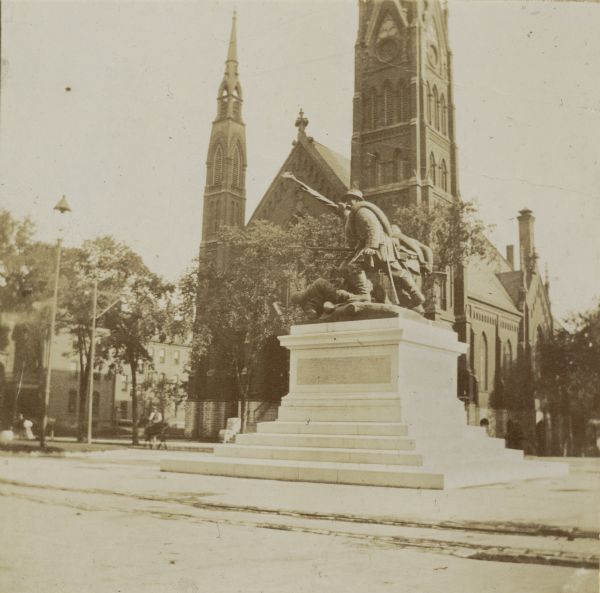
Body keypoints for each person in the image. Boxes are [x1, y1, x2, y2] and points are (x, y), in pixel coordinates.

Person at [339, 188, 426, 312]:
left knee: (355, 266)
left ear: (357, 200)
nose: (347, 203)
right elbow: (352, 236)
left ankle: (364, 294)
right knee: (394, 271)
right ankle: (415, 295)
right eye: (346, 200)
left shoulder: (362, 211)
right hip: (376, 245)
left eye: (350, 200)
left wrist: (372, 247)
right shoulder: (354, 213)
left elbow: (372, 228)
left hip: (379, 244)